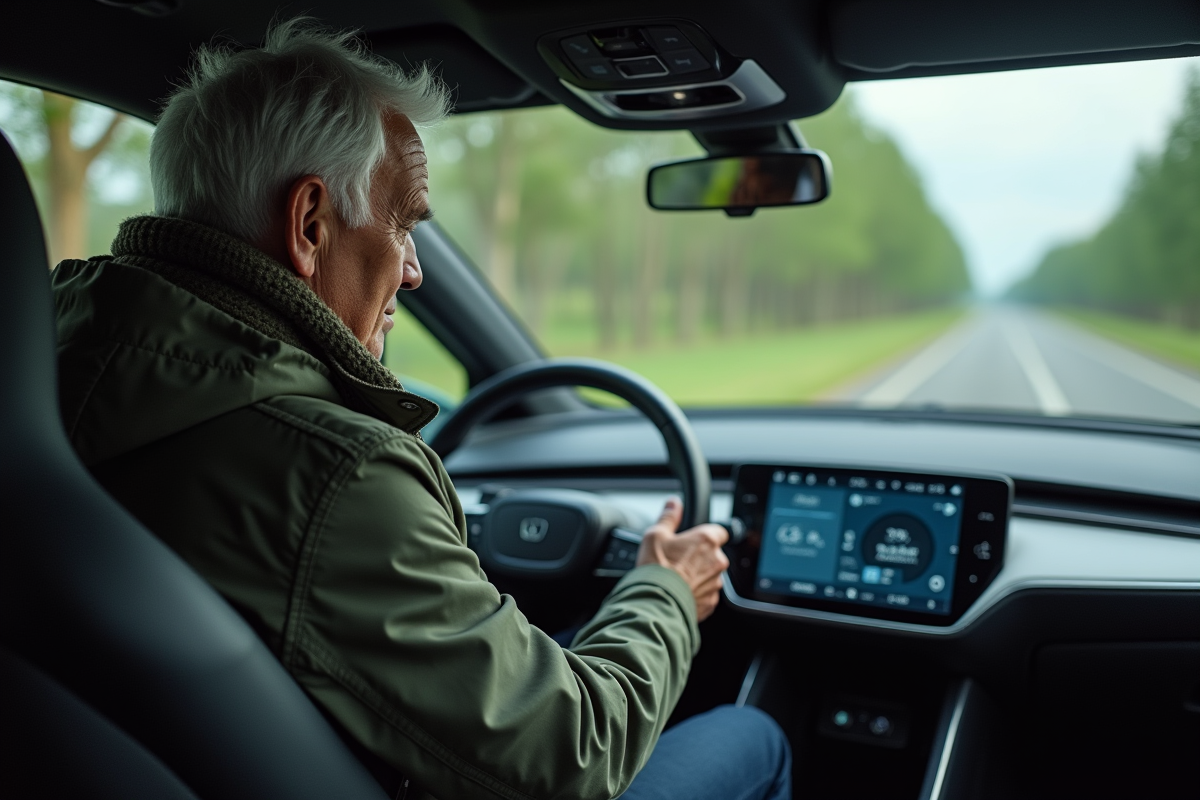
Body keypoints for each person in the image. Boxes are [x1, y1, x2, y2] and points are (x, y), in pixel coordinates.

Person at [51, 18, 791, 800]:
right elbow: (578, 752)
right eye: (403, 223)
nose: (412, 273)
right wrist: (668, 591)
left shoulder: (49, 379)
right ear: (310, 224)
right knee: (755, 736)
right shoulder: (337, 478)